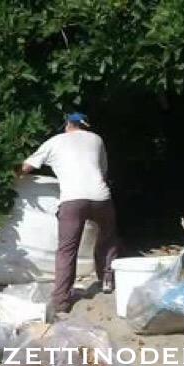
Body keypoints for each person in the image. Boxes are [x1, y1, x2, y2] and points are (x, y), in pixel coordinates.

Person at [18, 112, 119, 314]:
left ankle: (61, 302)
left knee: (67, 250)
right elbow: (103, 172)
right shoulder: (97, 139)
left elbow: (26, 167)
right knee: (108, 239)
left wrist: (11, 176)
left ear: (67, 125)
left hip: (72, 201)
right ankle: (107, 280)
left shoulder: (54, 142)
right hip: (101, 198)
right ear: (85, 125)